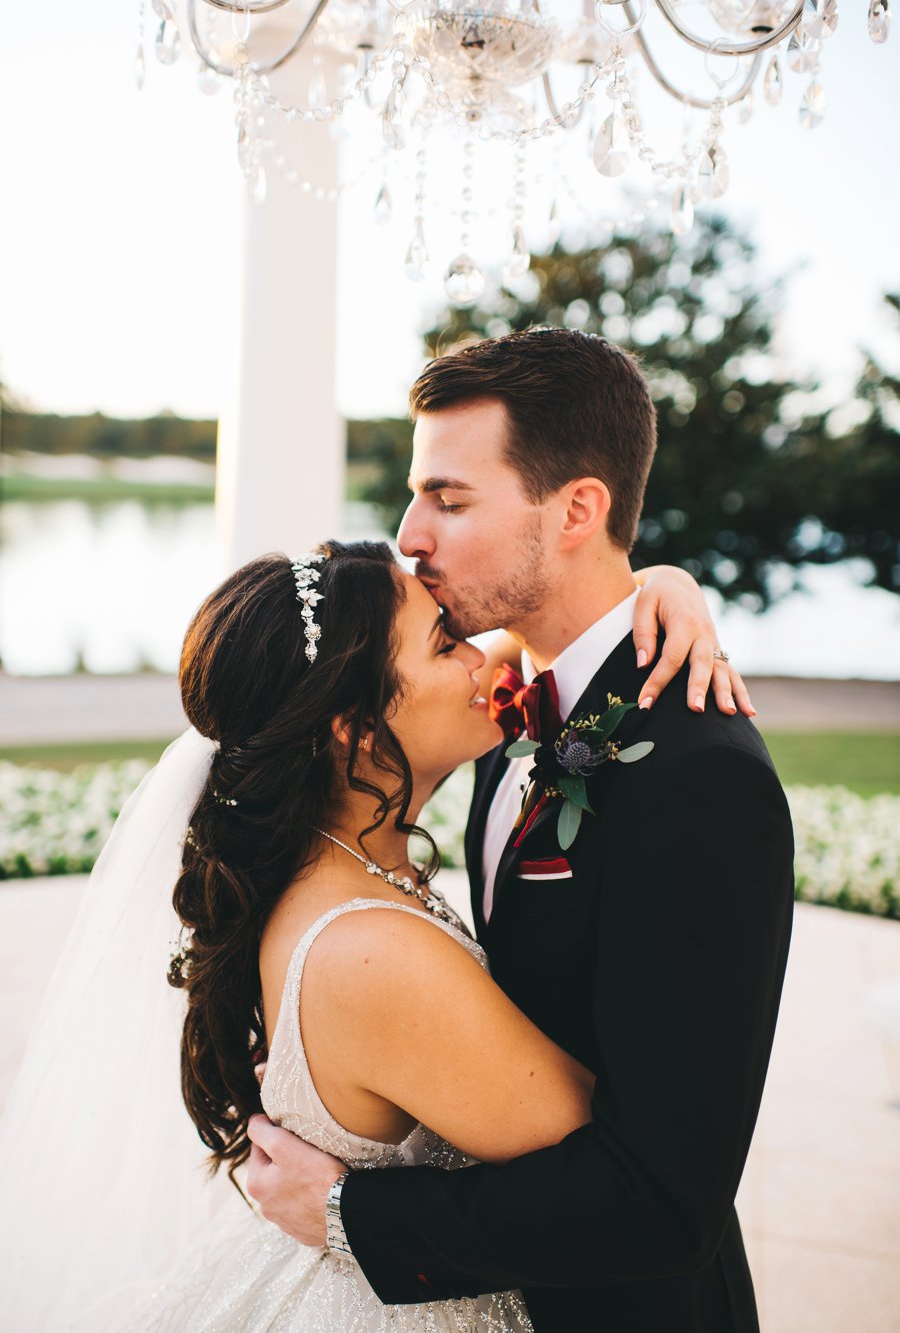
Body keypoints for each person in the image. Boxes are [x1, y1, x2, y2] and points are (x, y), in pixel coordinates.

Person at [0, 533, 747, 1331]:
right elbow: (621, 1172)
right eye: (446, 642)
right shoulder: (368, 952)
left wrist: (658, 586)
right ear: (354, 728)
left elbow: (550, 634)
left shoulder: (328, 859)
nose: (488, 664)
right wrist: (347, 1211)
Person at [244, 329, 795, 1333]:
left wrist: (348, 1212)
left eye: (450, 500)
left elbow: (667, 1195)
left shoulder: (702, 778)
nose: (410, 534)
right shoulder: (500, 716)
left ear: (579, 509)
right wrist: (661, 580)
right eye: (416, 493)